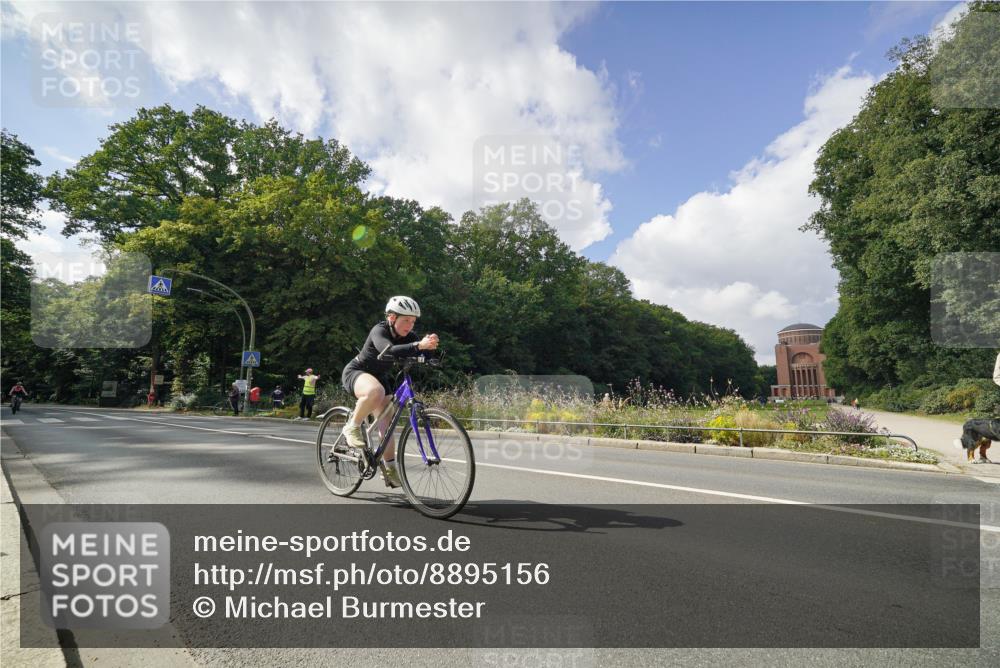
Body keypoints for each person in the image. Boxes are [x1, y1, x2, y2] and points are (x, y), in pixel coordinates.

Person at [341, 296, 439, 488]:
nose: (410, 325)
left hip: (380, 377)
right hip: (358, 371)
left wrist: (431, 346)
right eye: (406, 320)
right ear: (392, 317)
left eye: (413, 321)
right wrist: (418, 345)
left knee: (387, 425)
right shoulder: (380, 330)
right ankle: (352, 426)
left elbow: (420, 352)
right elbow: (390, 350)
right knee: (375, 391)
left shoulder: (408, 336)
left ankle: (390, 469)